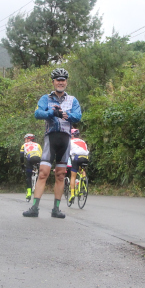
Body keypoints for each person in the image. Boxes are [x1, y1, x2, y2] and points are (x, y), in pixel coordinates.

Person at [23, 68, 82, 218]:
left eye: (63, 80)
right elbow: (37, 113)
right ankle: (34, 208)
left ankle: (56, 209)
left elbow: (78, 116)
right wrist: (52, 112)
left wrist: (66, 115)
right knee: (43, 173)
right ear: (53, 82)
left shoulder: (73, 100)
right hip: (51, 138)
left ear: (66, 82)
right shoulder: (46, 98)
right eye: (58, 80)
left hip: (65, 139)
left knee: (61, 175)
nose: (60, 82)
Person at [68, 128, 89, 203]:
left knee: (73, 176)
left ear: (72, 135)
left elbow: (68, 152)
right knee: (82, 169)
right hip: (85, 158)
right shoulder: (83, 141)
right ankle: (83, 180)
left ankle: (72, 194)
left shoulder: (70, 141)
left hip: (77, 158)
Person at [20, 133, 42, 201]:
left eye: (25, 139)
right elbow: (42, 154)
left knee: (28, 177)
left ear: (28, 139)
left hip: (30, 160)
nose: (25, 140)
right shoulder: (38, 145)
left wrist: (22, 165)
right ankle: (38, 189)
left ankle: (29, 193)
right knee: (40, 176)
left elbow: (21, 157)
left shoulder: (23, 145)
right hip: (38, 159)